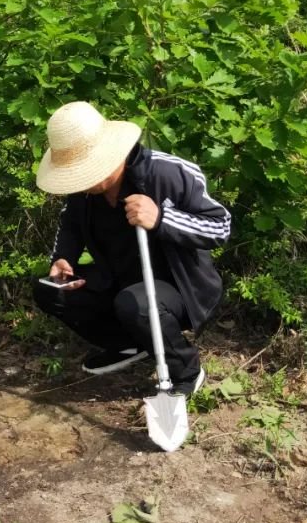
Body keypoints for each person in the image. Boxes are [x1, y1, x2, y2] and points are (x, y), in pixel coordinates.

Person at [32, 101, 231, 395]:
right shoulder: (86, 192)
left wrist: (162, 218)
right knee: (50, 290)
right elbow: (71, 223)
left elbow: (220, 227)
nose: (79, 181)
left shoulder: (166, 173)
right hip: (118, 278)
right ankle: (128, 345)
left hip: (177, 287)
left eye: (83, 171)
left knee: (136, 303)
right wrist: (63, 257)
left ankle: (186, 370)